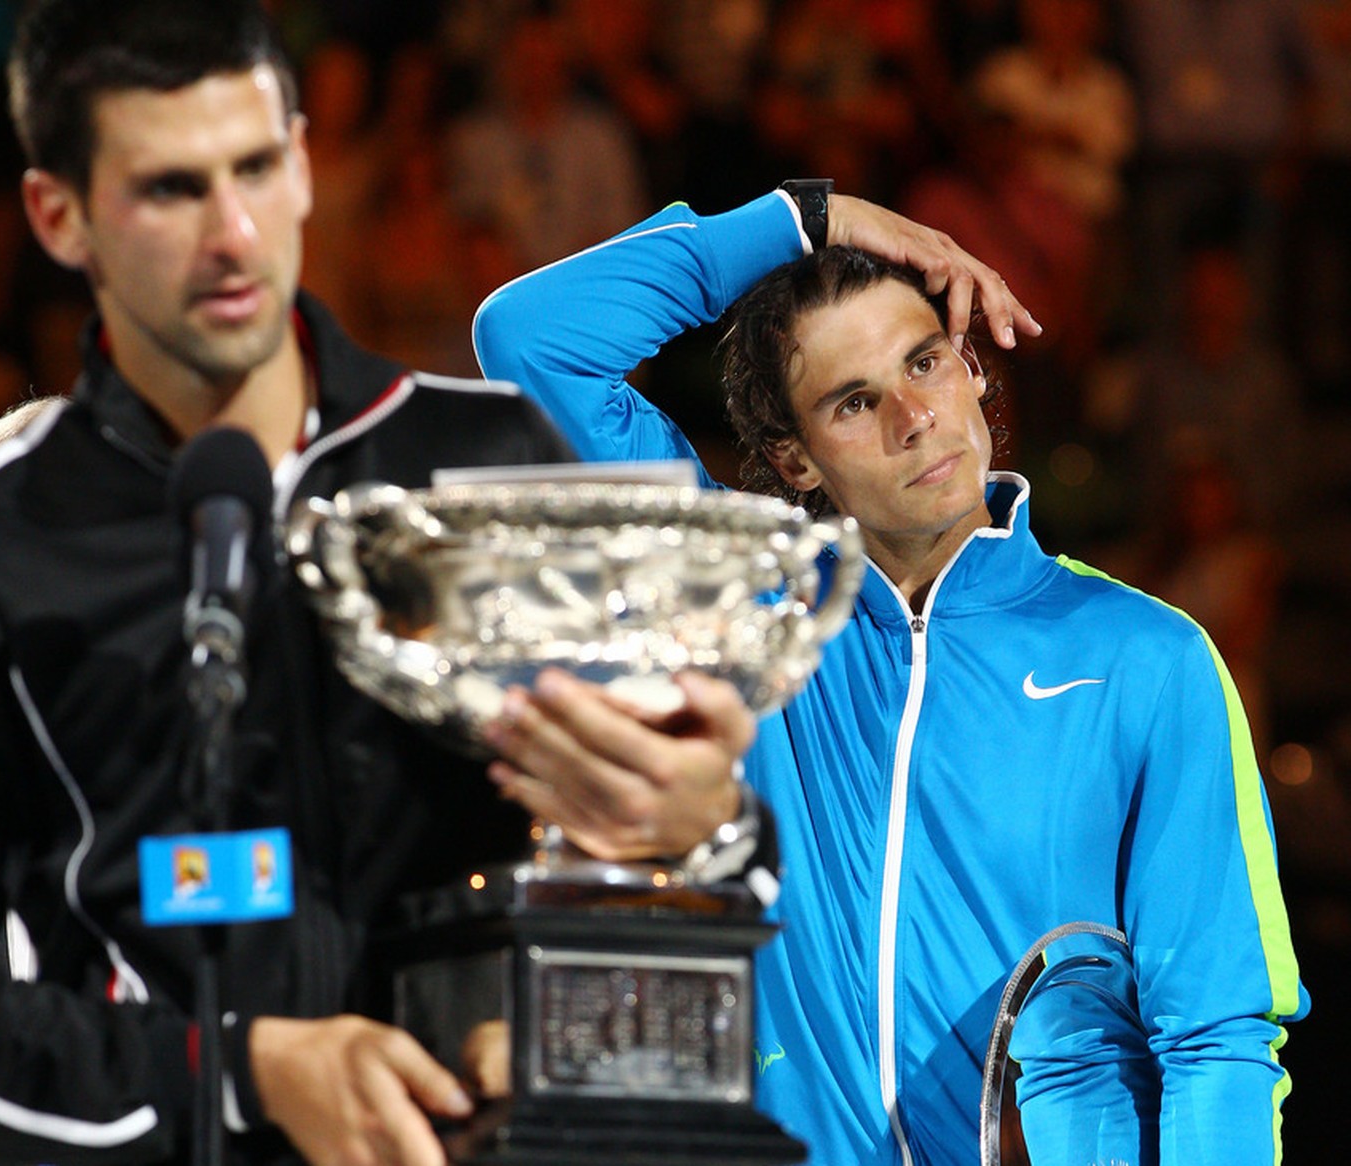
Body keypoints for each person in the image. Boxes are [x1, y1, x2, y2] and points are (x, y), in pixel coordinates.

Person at [0, 4, 769, 1166]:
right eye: (169, 187)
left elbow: (666, 861)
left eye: (256, 168)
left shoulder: (489, 469)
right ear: (59, 216)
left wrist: (699, 829)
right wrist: (239, 1071)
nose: (231, 232)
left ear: (308, 164)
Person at [472, 183, 1306, 1165]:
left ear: (970, 368)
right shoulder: (745, 607)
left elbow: (1216, 1031)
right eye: (855, 400)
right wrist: (808, 217)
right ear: (794, 459)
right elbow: (530, 339)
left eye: (926, 362)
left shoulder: (1145, 656)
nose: (915, 418)